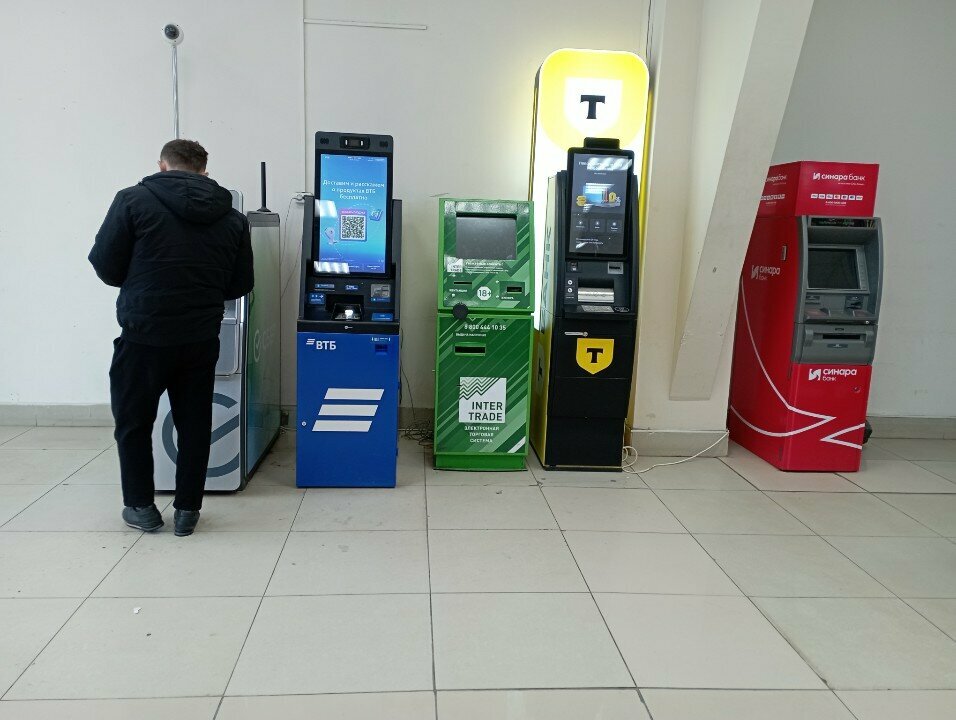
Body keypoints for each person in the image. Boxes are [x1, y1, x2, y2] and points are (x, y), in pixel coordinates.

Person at [89, 140, 253, 536]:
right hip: (200, 337)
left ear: (163, 165)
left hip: (143, 335)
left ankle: (141, 507)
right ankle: (187, 511)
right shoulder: (232, 217)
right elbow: (240, 284)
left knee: (133, 423)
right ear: (204, 171)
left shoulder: (131, 201)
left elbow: (106, 267)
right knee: (194, 424)